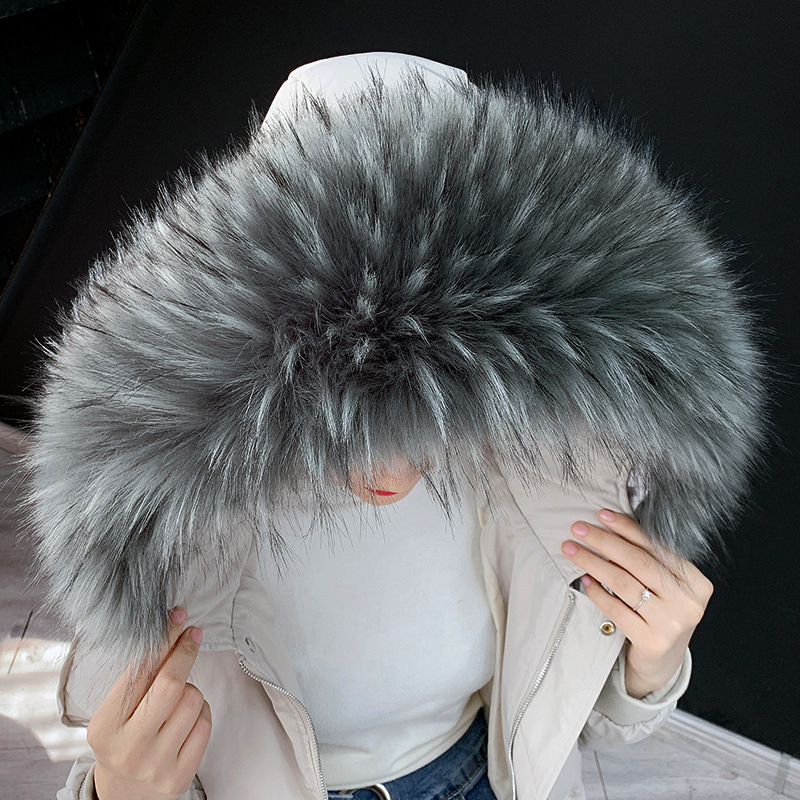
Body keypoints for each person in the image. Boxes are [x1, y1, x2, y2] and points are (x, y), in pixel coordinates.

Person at [17, 52, 772, 800]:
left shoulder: (557, 468)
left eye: (426, 399)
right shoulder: (177, 515)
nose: (388, 470)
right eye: (351, 399)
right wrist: (118, 792)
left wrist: (649, 668)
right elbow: (139, 733)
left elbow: (573, 725)